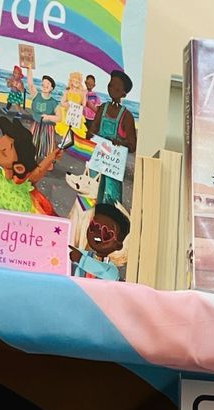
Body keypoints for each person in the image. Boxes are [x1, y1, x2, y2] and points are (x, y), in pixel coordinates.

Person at [90, 70, 137, 204]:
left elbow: (132, 146)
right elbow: (92, 130)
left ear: (124, 93)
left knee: (111, 197)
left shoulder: (126, 116)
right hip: (98, 159)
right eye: (110, 86)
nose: (112, 89)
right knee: (92, 191)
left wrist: (120, 142)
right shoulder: (102, 108)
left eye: (116, 88)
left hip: (113, 164)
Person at [71, 203, 130, 280]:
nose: (97, 234)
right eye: (94, 227)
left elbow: (104, 272)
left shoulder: (111, 270)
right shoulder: (83, 254)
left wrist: (81, 260)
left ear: (118, 245)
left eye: (106, 234)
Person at [28, 73, 61, 160]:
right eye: (43, 84)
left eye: (47, 84)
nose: (45, 86)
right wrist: (29, 69)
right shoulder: (36, 95)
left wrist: (48, 117)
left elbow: (59, 118)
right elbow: (30, 84)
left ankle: (48, 162)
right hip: (36, 125)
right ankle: (32, 158)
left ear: (51, 88)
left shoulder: (53, 102)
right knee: (33, 143)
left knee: (47, 145)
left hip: (48, 127)